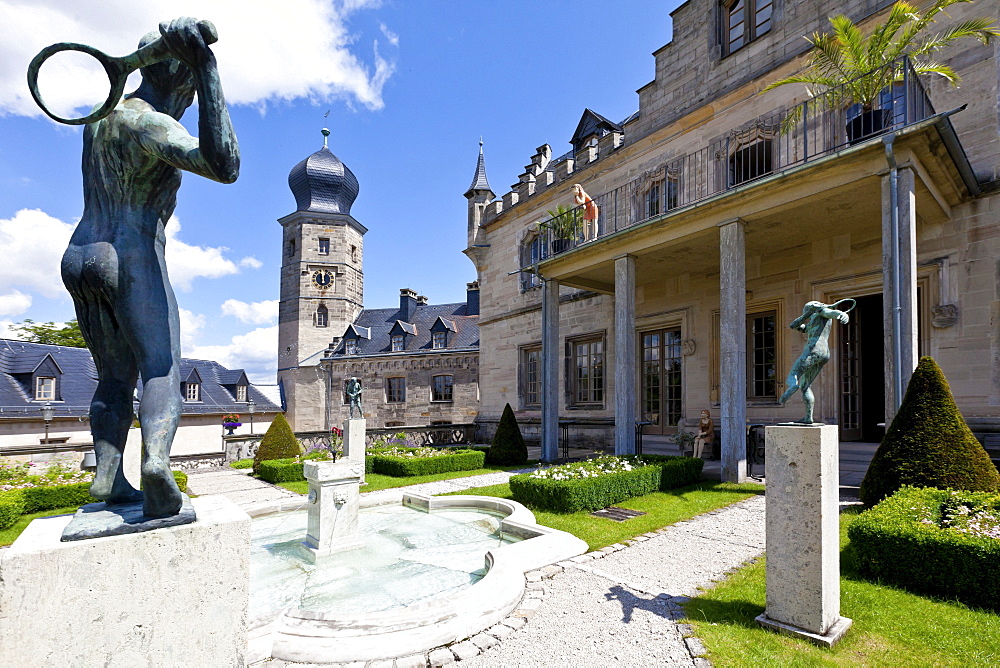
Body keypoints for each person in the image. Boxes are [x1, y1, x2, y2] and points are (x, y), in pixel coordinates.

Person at [60, 18, 240, 518]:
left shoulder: (103, 117)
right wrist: (207, 69)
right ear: (177, 81)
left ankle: (107, 479)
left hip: (79, 254)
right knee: (161, 367)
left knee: (112, 377)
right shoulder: (151, 121)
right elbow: (224, 165)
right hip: (131, 250)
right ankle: (156, 463)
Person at [779, 299, 853, 424]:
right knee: (806, 386)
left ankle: (793, 386)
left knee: (793, 375)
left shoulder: (822, 312)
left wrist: (842, 314)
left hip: (814, 349)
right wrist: (807, 315)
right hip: (824, 353)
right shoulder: (813, 320)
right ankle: (808, 417)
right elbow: (794, 325)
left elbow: (831, 313)